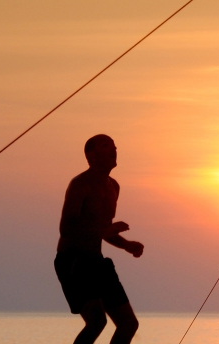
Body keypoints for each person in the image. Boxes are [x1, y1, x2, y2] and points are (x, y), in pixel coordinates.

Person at [54, 134, 144, 344]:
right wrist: (104, 232)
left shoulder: (114, 187)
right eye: (106, 146)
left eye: (114, 146)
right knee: (96, 322)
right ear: (91, 155)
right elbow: (67, 229)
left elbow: (104, 230)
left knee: (129, 324)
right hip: (73, 262)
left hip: (97, 262)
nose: (113, 150)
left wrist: (126, 245)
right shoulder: (80, 184)